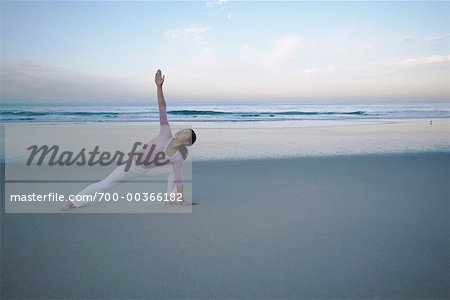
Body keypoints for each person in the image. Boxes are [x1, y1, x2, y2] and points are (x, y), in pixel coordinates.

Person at [61, 69, 197, 211]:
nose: (181, 131)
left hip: (149, 170)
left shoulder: (177, 157)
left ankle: (171, 198)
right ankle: (75, 203)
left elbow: (179, 180)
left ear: (186, 142)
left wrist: (182, 199)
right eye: (183, 129)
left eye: (185, 133)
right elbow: (162, 108)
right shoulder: (166, 132)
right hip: (132, 166)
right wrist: (159, 87)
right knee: (105, 184)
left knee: (175, 170)